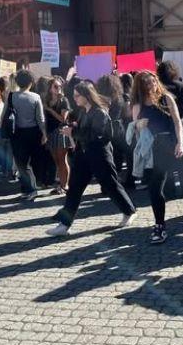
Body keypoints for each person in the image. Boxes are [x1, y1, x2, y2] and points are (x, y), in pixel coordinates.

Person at [46, 82, 136, 236]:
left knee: (111, 185)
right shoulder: (83, 111)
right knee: (74, 188)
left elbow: (95, 135)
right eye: (74, 95)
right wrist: (74, 127)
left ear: (86, 95)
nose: (74, 99)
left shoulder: (99, 112)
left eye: (77, 95)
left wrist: (73, 132)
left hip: (100, 155)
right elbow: (84, 129)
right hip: (84, 155)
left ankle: (129, 211)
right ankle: (64, 225)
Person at [131, 71, 183, 244]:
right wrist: (139, 125)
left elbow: (177, 121)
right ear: (141, 86)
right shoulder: (138, 105)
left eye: (153, 81)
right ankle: (160, 223)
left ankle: (159, 225)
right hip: (149, 150)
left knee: (156, 187)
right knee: (154, 189)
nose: (151, 85)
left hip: (166, 147)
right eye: (147, 83)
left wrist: (180, 142)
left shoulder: (166, 98)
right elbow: (136, 132)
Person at [2, 69, 47, 200]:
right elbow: (40, 118)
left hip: (17, 133)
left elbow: (4, 115)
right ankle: (31, 188)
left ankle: (28, 189)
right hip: (34, 132)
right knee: (33, 161)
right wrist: (44, 133)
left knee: (21, 162)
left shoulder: (11, 96)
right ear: (31, 83)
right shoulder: (35, 97)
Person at [43, 76, 73, 195]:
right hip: (50, 132)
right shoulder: (47, 100)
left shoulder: (64, 100)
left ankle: (65, 185)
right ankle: (61, 184)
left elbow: (62, 119)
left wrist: (50, 110)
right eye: (55, 86)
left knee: (62, 159)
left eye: (60, 86)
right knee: (56, 160)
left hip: (61, 132)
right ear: (50, 88)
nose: (58, 88)